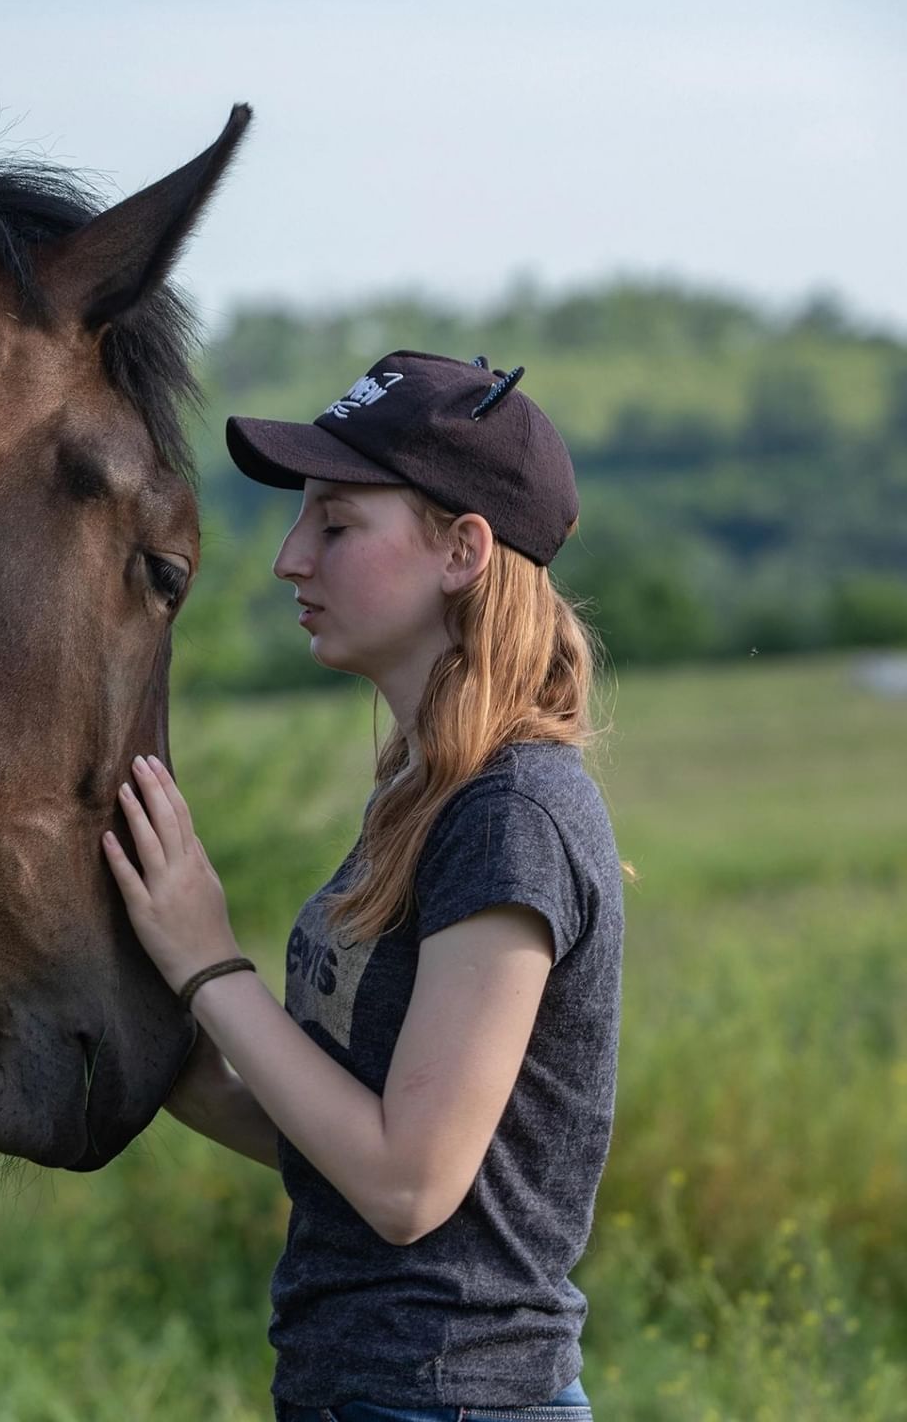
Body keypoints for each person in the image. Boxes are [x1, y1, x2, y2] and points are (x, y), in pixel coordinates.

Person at [101, 351, 624, 1422]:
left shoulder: (507, 816)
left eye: (335, 525)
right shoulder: (427, 797)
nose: (290, 559)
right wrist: (151, 1033)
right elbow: (339, 1143)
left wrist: (206, 960)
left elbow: (405, 1184)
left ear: (461, 549)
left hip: (450, 1400)